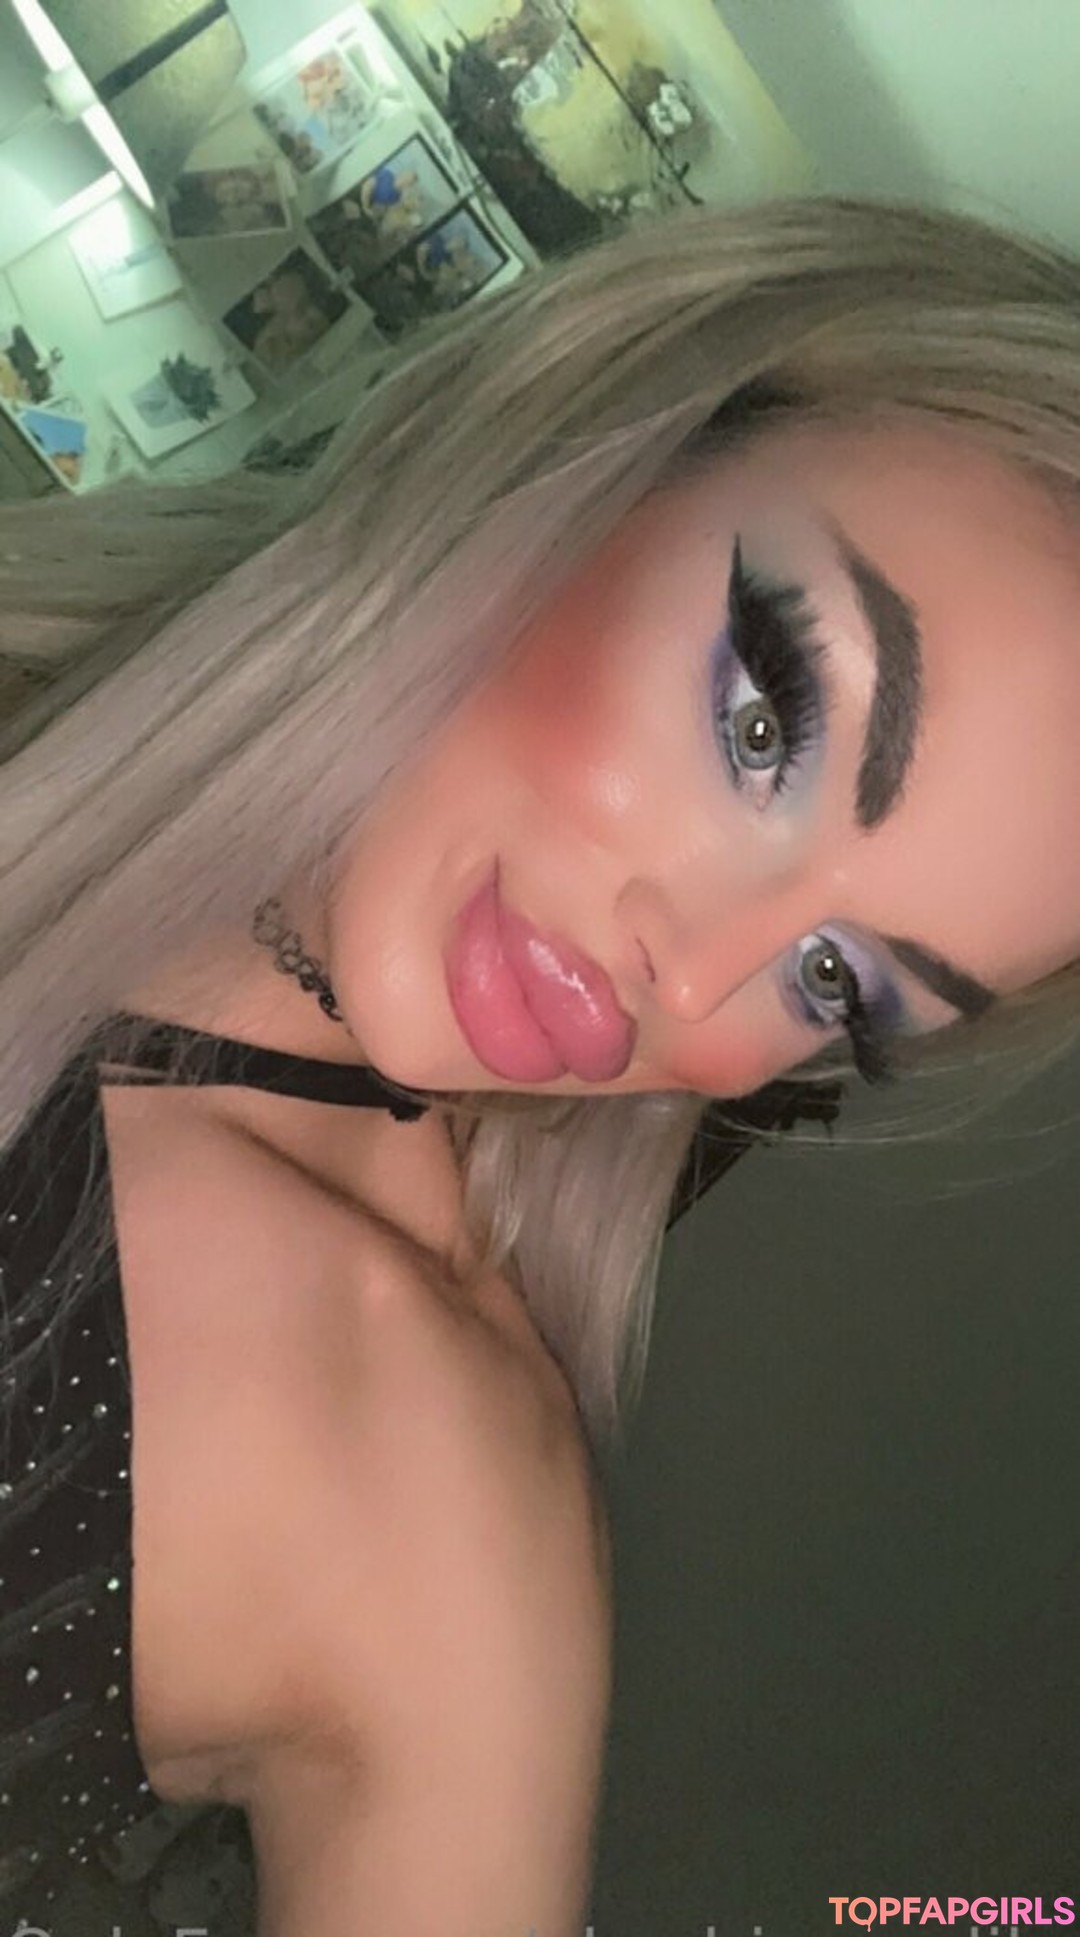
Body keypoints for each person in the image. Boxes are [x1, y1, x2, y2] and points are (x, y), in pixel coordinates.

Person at [0, 193, 1078, 1929]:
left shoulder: (430, 1523)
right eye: (764, 724)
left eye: (839, 979)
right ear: (601, 440)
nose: (694, 969)